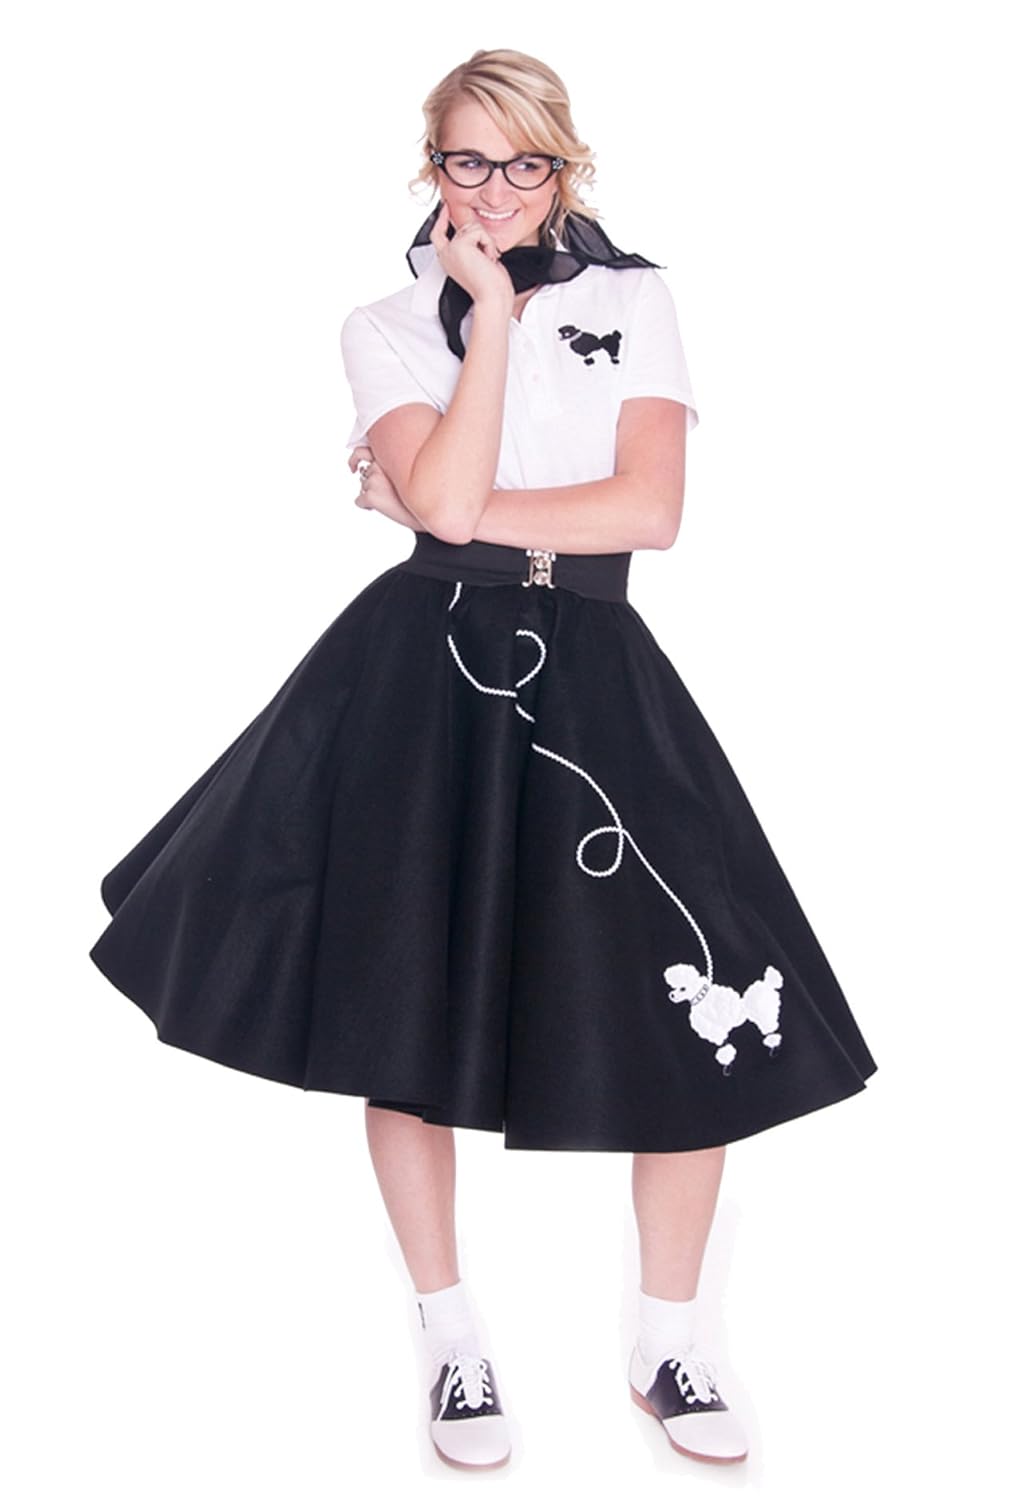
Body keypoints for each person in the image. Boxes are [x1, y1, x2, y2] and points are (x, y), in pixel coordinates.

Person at [89, 48, 878, 1473]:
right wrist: (494, 328)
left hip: (596, 673)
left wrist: (441, 511)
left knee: (687, 985)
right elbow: (449, 503)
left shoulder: (637, 299)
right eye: (468, 160)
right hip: (424, 679)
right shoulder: (386, 326)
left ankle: (672, 1339)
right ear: (431, 169)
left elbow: (646, 512)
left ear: (565, 167)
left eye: (525, 163)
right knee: (408, 1004)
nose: (497, 190)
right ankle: (450, 1338)